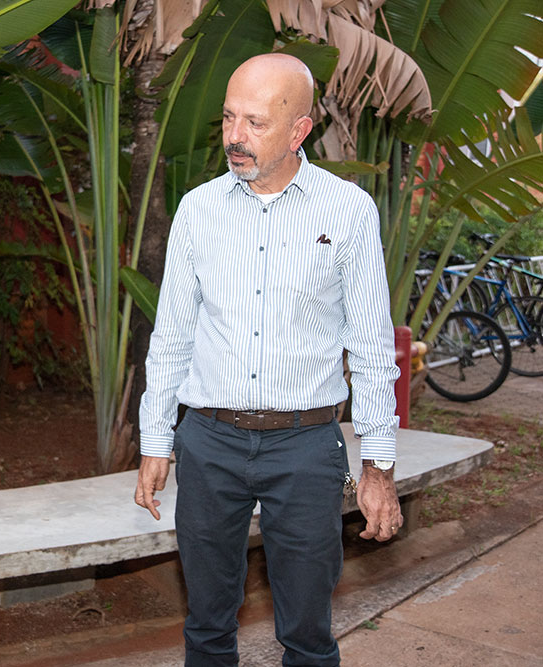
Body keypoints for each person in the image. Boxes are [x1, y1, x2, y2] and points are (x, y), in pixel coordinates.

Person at [134, 54, 403, 666]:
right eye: (229, 118)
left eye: (255, 122)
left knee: (307, 633)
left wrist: (379, 466)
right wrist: (156, 441)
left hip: (305, 448)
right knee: (206, 624)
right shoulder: (198, 211)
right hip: (208, 442)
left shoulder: (348, 212)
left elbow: (370, 346)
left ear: (299, 131)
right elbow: (171, 335)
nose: (234, 137)